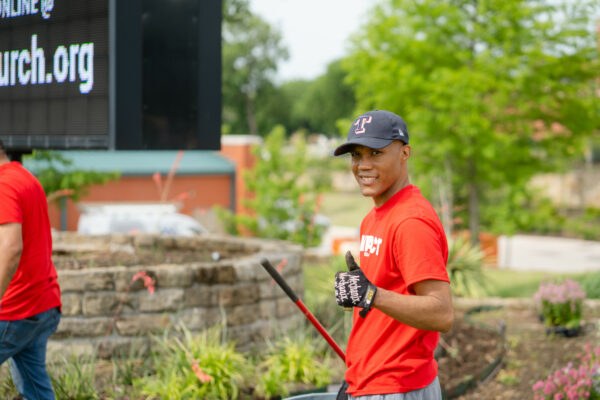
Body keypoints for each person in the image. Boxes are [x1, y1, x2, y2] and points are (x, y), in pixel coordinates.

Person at [333, 110, 453, 400]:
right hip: (371, 382)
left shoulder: (411, 222)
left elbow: (442, 313)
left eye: (376, 153)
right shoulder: (375, 218)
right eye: (356, 155)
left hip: (398, 386)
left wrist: (372, 295)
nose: (363, 165)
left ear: (404, 153)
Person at [0, 139, 62, 399]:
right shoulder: (25, 177)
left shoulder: (3, 186)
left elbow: (12, 248)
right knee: (36, 390)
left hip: (14, 311)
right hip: (42, 304)